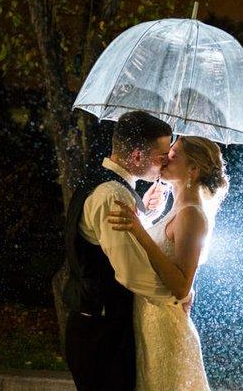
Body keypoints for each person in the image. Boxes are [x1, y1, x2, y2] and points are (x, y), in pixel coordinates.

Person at [108, 136, 229, 391]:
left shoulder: (192, 214)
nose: (164, 159)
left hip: (165, 329)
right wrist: (148, 214)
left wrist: (140, 231)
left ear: (193, 170)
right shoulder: (178, 207)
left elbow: (181, 287)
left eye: (173, 156)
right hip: (150, 321)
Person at [62, 110, 173, 391]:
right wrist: (176, 296)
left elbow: (113, 241)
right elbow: (132, 274)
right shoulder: (114, 196)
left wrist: (146, 212)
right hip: (102, 334)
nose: (164, 164)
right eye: (161, 157)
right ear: (137, 156)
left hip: (94, 326)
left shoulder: (106, 184)